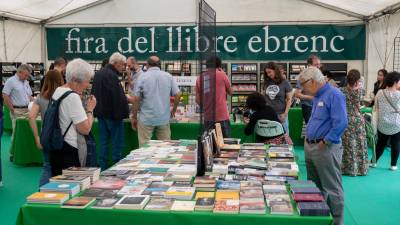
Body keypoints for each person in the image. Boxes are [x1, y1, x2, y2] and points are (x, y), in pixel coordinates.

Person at [299, 67, 348, 225]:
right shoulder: (317, 96)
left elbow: (341, 122)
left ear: (312, 81)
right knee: (314, 187)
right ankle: (319, 219)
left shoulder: (334, 94)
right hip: (312, 146)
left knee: (331, 187)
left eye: (303, 84)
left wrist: (325, 141)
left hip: (325, 148)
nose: (302, 88)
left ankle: (336, 222)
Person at [49, 58, 96, 176]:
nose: (88, 85)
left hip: (57, 147)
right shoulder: (72, 97)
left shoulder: (59, 90)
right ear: (76, 80)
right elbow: (85, 129)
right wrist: (90, 110)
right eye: (87, 81)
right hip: (69, 151)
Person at [131, 56, 181, 147]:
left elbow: (136, 99)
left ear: (147, 65)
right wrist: (173, 110)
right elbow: (178, 94)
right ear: (160, 65)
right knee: (165, 148)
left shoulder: (142, 77)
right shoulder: (168, 76)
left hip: (146, 118)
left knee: (144, 148)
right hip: (163, 118)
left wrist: (134, 116)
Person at [92, 52, 129, 170]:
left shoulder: (99, 73)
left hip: (101, 113)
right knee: (117, 143)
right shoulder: (112, 76)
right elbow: (117, 97)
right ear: (116, 63)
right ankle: (116, 168)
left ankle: (103, 167)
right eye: (122, 64)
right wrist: (124, 112)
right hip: (113, 115)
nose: (123, 67)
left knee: (103, 142)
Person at [28, 70, 64, 186]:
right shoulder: (64, 96)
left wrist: (37, 137)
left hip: (46, 136)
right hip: (62, 137)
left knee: (47, 166)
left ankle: (41, 195)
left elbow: (31, 117)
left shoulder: (40, 97)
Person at [2, 64, 34, 161]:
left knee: (27, 132)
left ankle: (25, 152)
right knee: (16, 132)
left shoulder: (26, 82)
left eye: (28, 75)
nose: (27, 77)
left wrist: (36, 102)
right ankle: (12, 154)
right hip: (17, 110)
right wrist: (12, 109)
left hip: (27, 110)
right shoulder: (10, 81)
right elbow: (5, 95)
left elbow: (29, 96)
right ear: (19, 72)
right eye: (25, 75)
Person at [195, 56, 232, 137]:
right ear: (219, 65)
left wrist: (206, 106)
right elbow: (230, 92)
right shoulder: (222, 75)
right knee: (225, 143)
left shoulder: (200, 78)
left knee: (209, 144)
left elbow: (197, 99)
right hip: (222, 116)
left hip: (208, 116)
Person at [341, 69, 368, 176]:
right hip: (357, 120)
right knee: (359, 143)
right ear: (357, 80)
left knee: (347, 144)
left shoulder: (341, 91)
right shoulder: (361, 91)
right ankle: (360, 169)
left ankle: (345, 168)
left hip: (345, 120)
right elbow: (366, 102)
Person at [372, 71, 400, 170]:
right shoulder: (398, 94)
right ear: (396, 82)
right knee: (395, 144)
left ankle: (373, 162)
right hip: (396, 124)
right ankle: (393, 165)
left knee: (380, 144)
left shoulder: (380, 92)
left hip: (382, 123)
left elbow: (376, 107)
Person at [262, 62, 293, 133]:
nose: (268, 74)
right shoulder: (266, 83)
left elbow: (289, 100)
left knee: (284, 138)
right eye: (267, 73)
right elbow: (263, 97)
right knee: (269, 137)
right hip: (268, 114)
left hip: (280, 115)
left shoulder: (285, 82)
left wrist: (285, 114)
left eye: (270, 72)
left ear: (275, 70)